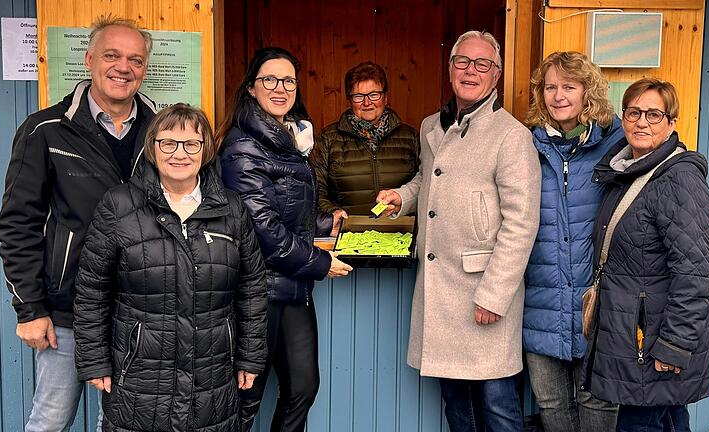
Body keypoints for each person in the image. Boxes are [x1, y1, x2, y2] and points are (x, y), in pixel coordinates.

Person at [0, 16, 155, 431]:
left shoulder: (161, 132)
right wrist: (30, 308)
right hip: (65, 311)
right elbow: (18, 223)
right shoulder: (45, 129)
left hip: (135, 313)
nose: (124, 67)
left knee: (121, 423)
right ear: (89, 60)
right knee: (50, 420)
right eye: (112, 55)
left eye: (135, 60)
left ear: (145, 69)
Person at [376, 30, 541, 432]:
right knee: (457, 405)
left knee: (498, 405)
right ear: (450, 69)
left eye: (482, 64)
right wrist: (403, 197)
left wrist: (494, 295)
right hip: (441, 293)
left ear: (496, 75)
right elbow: (427, 179)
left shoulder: (511, 136)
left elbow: (522, 223)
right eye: (462, 61)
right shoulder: (433, 125)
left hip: (481, 292)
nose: (470, 70)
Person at [72, 104, 268, 431]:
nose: (180, 153)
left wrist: (250, 355)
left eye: (192, 144)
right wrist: (94, 360)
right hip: (139, 374)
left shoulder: (231, 209)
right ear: (153, 147)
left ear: (205, 150)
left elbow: (252, 288)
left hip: (213, 371)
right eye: (169, 143)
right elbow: (92, 289)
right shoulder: (119, 205)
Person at [218, 47, 353, 432]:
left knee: (303, 388)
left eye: (289, 80)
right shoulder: (243, 148)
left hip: (292, 289)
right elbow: (265, 233)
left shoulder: (286, 138)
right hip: (257, 293)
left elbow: (289, 210)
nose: (281, 88)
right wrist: (322, 262)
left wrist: (327, 223)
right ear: (251, 88)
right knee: (244, 401)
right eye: (270, 80)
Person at [581, 78, 709, 432]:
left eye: (654, 114)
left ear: (672, 123)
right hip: (638, 335)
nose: (642, 122)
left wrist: (674, 344)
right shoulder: (627, 172)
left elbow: (695, 274)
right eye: (633, 112)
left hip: (655, 342)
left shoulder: (678, 179)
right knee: (669, 421)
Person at [522, 51, 622, 432]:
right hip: (541, 304)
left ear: (587, 91)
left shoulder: (616, 141)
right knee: (551, 406)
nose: (558, 95)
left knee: (597, 403)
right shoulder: (527, 144)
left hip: (597, 305)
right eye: (550, 87)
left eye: (569, 86)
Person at [311, 61, 420, 215]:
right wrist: (332, 212)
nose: (367, 102)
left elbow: (424, 185)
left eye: (374, 95)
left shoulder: (410, 137)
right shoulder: (329, 138)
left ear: (385, 98)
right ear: (349, 100)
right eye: (358, 96)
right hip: (348, 232)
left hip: (401, 232)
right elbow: (315, 189)